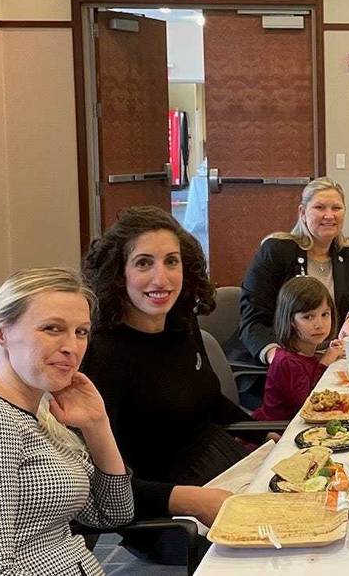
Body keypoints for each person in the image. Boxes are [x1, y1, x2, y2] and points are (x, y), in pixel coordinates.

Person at [0, 268, 134, 576]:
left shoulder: (39, 415)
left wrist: (97, 425)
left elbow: (112, 513)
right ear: (0, 333)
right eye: (52, 328)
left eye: (81, 332)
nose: (72, 347)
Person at [81, 206, 248, 562]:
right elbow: (100, 483)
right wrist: (190, 499)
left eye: (171, 262)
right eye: (144, 263)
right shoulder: (101, 354)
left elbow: (209, 400)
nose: (162, 278)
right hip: (164, 515)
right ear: (118, 274)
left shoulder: (181, 324)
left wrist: (264, 432)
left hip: (222, 471)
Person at [232, 177, 349, 406]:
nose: (329, 215)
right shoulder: (277, 251)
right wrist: (280, 359)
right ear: (302, 212)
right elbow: (252, 319)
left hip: (327, 357)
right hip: (282, 371)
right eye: (320, 207)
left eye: (336, 208)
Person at [252, 276, 346, 421]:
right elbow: (309, 403)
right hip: (279, 431)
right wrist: (325, 361)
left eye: (325, 314)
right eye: (308, 317)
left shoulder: (307, 351)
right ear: (290, 321)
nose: (319, 324)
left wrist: (327, 355)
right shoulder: (287, 361)